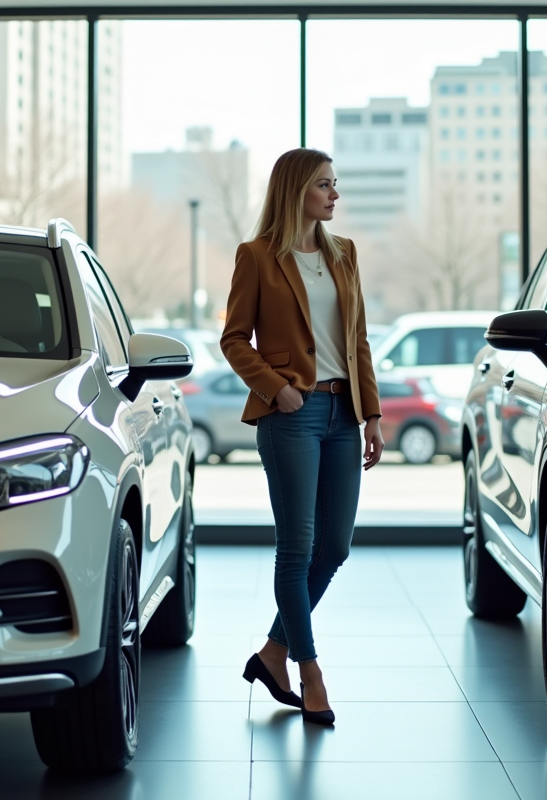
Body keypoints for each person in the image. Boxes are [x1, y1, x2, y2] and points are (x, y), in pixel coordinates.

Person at [221, 148, 383, 726]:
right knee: (297, 549)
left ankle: (272, 652)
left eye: (335, 184)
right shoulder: (258, 257)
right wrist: (275, 388)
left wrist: (372, 413)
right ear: (296, 192)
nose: (335, 195)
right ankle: (309, 671)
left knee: (333, 548)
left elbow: (358, 338)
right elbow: (235, 339)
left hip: (344, 415)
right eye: (324, 185)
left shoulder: (345, 255)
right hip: (291, 414)